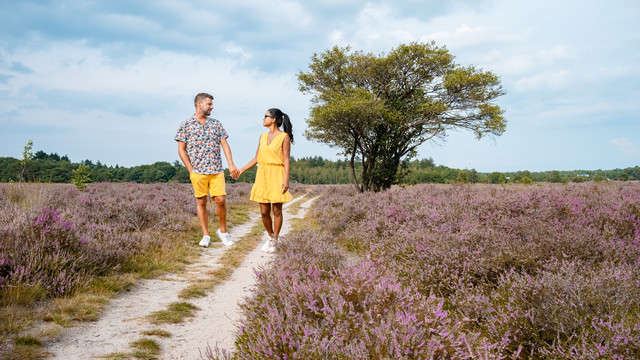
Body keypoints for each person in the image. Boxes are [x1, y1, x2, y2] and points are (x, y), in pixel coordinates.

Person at [175, 93, 239, 247]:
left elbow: (224, 144)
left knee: (221, 200)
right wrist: (191, 170)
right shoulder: (186, 124)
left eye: (211, 104)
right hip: (198, 171)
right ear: (199, 104)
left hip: (216, 170)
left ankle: (223, 232)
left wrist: (231, 164)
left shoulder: (216, 124)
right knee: (201, 202)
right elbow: (181, 150)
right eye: (209, 104)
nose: (212, 107)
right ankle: (205, 235)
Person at [236, 108, 293, 252]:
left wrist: (286, 180)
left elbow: (286, 160)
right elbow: (256, 158)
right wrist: (241, 170)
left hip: (277, 173)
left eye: (265, 116)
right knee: (263, 211)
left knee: (276, 210)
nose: (263, 119)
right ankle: (270, 235)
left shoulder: (284, 137)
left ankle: (275, 240)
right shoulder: (262, 136)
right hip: (262, 174)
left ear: (273, 119)